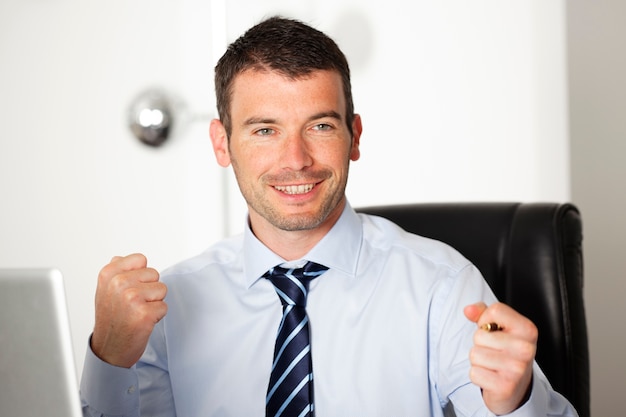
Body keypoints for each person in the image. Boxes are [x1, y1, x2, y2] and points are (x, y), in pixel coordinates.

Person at [80, 16, 579, 417]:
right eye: (264, 130)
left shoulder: (440, 287)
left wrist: (514, 401)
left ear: (354, 135)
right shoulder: (170, 309)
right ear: (221, 142)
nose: (295, 159)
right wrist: (109, 358)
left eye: (319, 125)